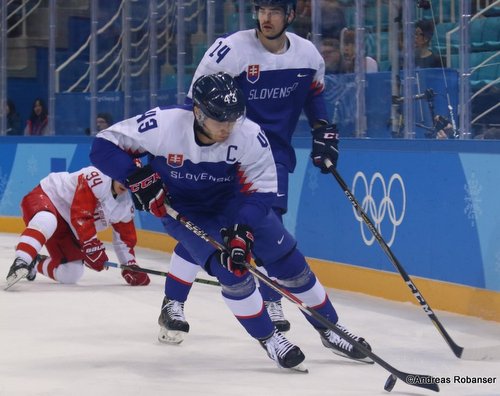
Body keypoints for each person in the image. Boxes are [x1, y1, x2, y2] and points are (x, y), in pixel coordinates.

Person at [89, 72, 372, 371]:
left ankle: (331, 330)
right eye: (219, 119)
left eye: (232, 119)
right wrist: (136, 177)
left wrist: (243, 228)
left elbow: (263, 191)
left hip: (235, 204)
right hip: (186, 209)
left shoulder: (249, 134)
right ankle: (270, 338)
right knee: (232, 271)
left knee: (289, 263)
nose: (227, 127)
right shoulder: (164, 125)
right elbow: (103, 146)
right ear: (198, 112)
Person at [159, 0, 340, 340]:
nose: (265, 18)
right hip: (222, 155)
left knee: (266, 227)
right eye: (261, 10)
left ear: (290, 15)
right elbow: (192, 106)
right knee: (206, 229)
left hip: (273, 157)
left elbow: (314, 95)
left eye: (274, 11)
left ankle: (272, 300)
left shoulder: (307, 55)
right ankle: (174, 302)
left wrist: (323, 131)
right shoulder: (229, 51)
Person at [5, 166, 150, 289]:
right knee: (47, 219)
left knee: (71, 273)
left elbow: (124, 240)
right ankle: (21, 261)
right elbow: (81, 215)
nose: (126, 183)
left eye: (131, 180)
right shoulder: (96, 177)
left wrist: (129, 266)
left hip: (68, 227)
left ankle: (34, 262)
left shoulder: (125, 206)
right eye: (123, 176)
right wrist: (91, 246)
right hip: (47, 197)